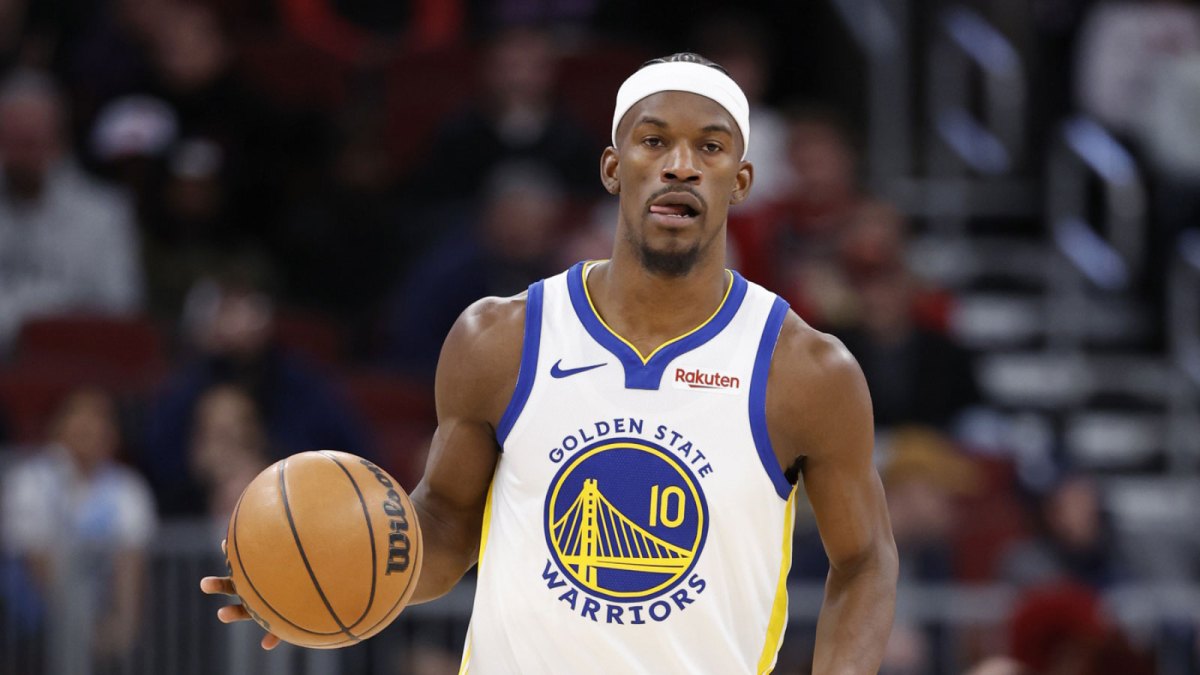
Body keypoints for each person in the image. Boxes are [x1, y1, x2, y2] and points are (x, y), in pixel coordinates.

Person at [203, 52, 898, 673]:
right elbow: (445, 524)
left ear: (741, 180)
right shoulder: (500, 338)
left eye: (709, 148)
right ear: (611, 167)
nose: (680, 163)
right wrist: (304, 572)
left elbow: (865, 561)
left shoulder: (805, 370)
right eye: (654, 140)